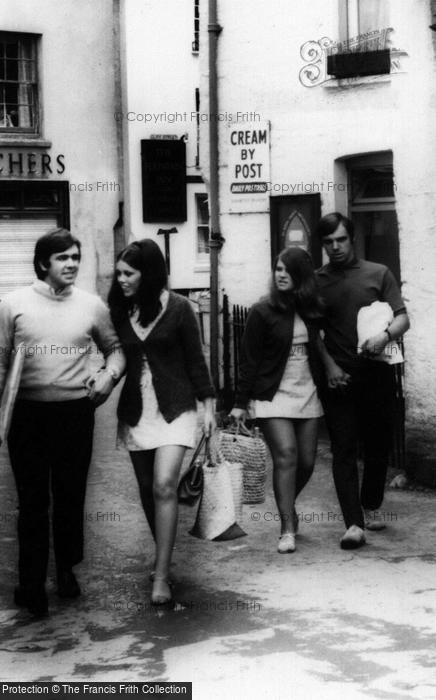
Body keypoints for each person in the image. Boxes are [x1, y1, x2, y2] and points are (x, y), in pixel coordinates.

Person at [0, 228, 125, 617]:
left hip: (74, 414)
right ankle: (31, 584)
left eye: (76, 257)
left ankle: (65, 568)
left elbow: (115, 350)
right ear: (44, 262)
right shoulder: (13, 305)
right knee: (31, 502)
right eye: (64, 258)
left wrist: (108, 378)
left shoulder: (92, 305)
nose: (72, 264)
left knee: (69, 495)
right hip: (27, 416)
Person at [108, 239, 216, 606]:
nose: (121, 280)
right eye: (119, 273)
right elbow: (116, 355)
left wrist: (209, 409)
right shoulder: (120, 311)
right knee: (146, 490)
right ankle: (164, 556)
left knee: (164, 485)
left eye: (129, 274)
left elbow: (196, 362)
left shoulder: (181, 309)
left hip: (177, 409)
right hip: (137, 411)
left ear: (148, 274)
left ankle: (162, 575)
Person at [315, 212, 410, 550]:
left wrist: (384, 336)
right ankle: (353, 524)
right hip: (339, 376)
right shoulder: (317, 281)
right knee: (343, 447)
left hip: (376, 372)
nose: (335, 247)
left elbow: (403, 318)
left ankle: (369, 506)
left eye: (340, 240)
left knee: (378, 444)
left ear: (351, 238)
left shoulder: (378, 273)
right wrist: (328, 368)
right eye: (328, 242)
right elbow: (314, 332)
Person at [230, 247, 325, 554]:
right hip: (272, 394)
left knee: (307, 462)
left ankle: (288, 504)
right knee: (286, 455)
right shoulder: (262, 311)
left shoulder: (312, 309)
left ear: (301, 277)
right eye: (278, 269)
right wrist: (240, 402)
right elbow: (249, 360)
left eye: (287, 270)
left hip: (307, 391)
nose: (281, 275)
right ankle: (286, 527)